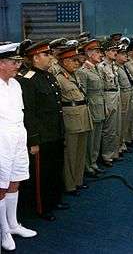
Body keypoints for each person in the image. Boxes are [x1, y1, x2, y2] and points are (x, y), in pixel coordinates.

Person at [21, 40, 69, 221]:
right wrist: (33, 140)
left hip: (55, 133)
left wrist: (61, 131)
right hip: (42, 136)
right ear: (35, 57)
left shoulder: (49, 77)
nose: (50, 58)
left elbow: (56, 109)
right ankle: (42, 207)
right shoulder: (28, 80)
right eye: (46, 55)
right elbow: (29, 113)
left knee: (55, 169)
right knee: (42, 174)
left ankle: (54, 200)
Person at [0, 43, 37, 251]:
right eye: (13, 62)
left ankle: (13, 224)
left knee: (15, 181)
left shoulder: (15, 84)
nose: (17, 66)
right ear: (1, 63)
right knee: (1, 186)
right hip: (1, 141)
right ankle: (3, 230)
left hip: (17, 138)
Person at [55, 46, 93, 195]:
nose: (77, 63)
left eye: (77, 61)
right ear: (64, 61)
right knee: (70, 154)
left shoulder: (74, 75)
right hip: (71, 118)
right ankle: (70, 185)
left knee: (80, 152)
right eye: (73, 61)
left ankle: (78, 180)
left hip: (82, 115)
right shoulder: (59, 78)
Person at [76, 39, 105, 176]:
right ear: (89, 54)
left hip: (100, 107)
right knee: (90, 139)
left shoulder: (97, 68)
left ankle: (93, 162)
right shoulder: (83, 71)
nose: (101, 55)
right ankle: (87, 165)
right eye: (98, 52)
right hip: (92, 109)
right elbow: (83, 94)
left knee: (97, 137)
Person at [98, 40, 121, 165]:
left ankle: (114, 152)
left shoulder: (113, 65)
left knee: (116, 126)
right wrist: (105, 104)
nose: (115, 53)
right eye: (112, 51)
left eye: (116, 51)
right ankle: (106, 155)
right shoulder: (101, 67)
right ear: (106, 52)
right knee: (109, 128)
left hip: (116, 94)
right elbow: (100, 88)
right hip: (108, 95)